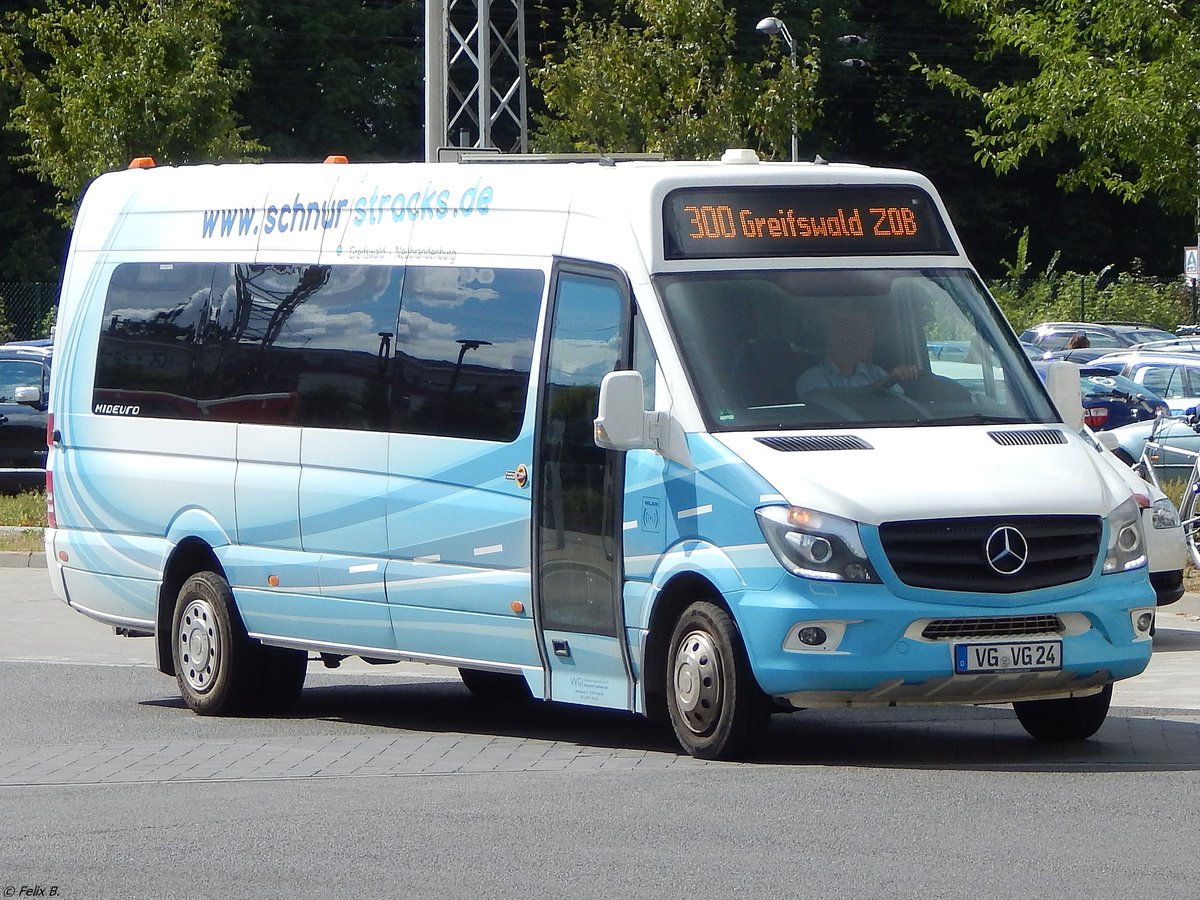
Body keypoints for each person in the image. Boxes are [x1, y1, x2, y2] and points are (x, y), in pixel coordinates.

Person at [795, 307, 919, 395]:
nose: (868, 339)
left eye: (869, 332)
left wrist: (903, 376)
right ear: (836, 336)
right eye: (859, 331)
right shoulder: (811, 379)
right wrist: (880, 387)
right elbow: (839, 410)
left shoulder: (876, 373)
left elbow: (901, 402)